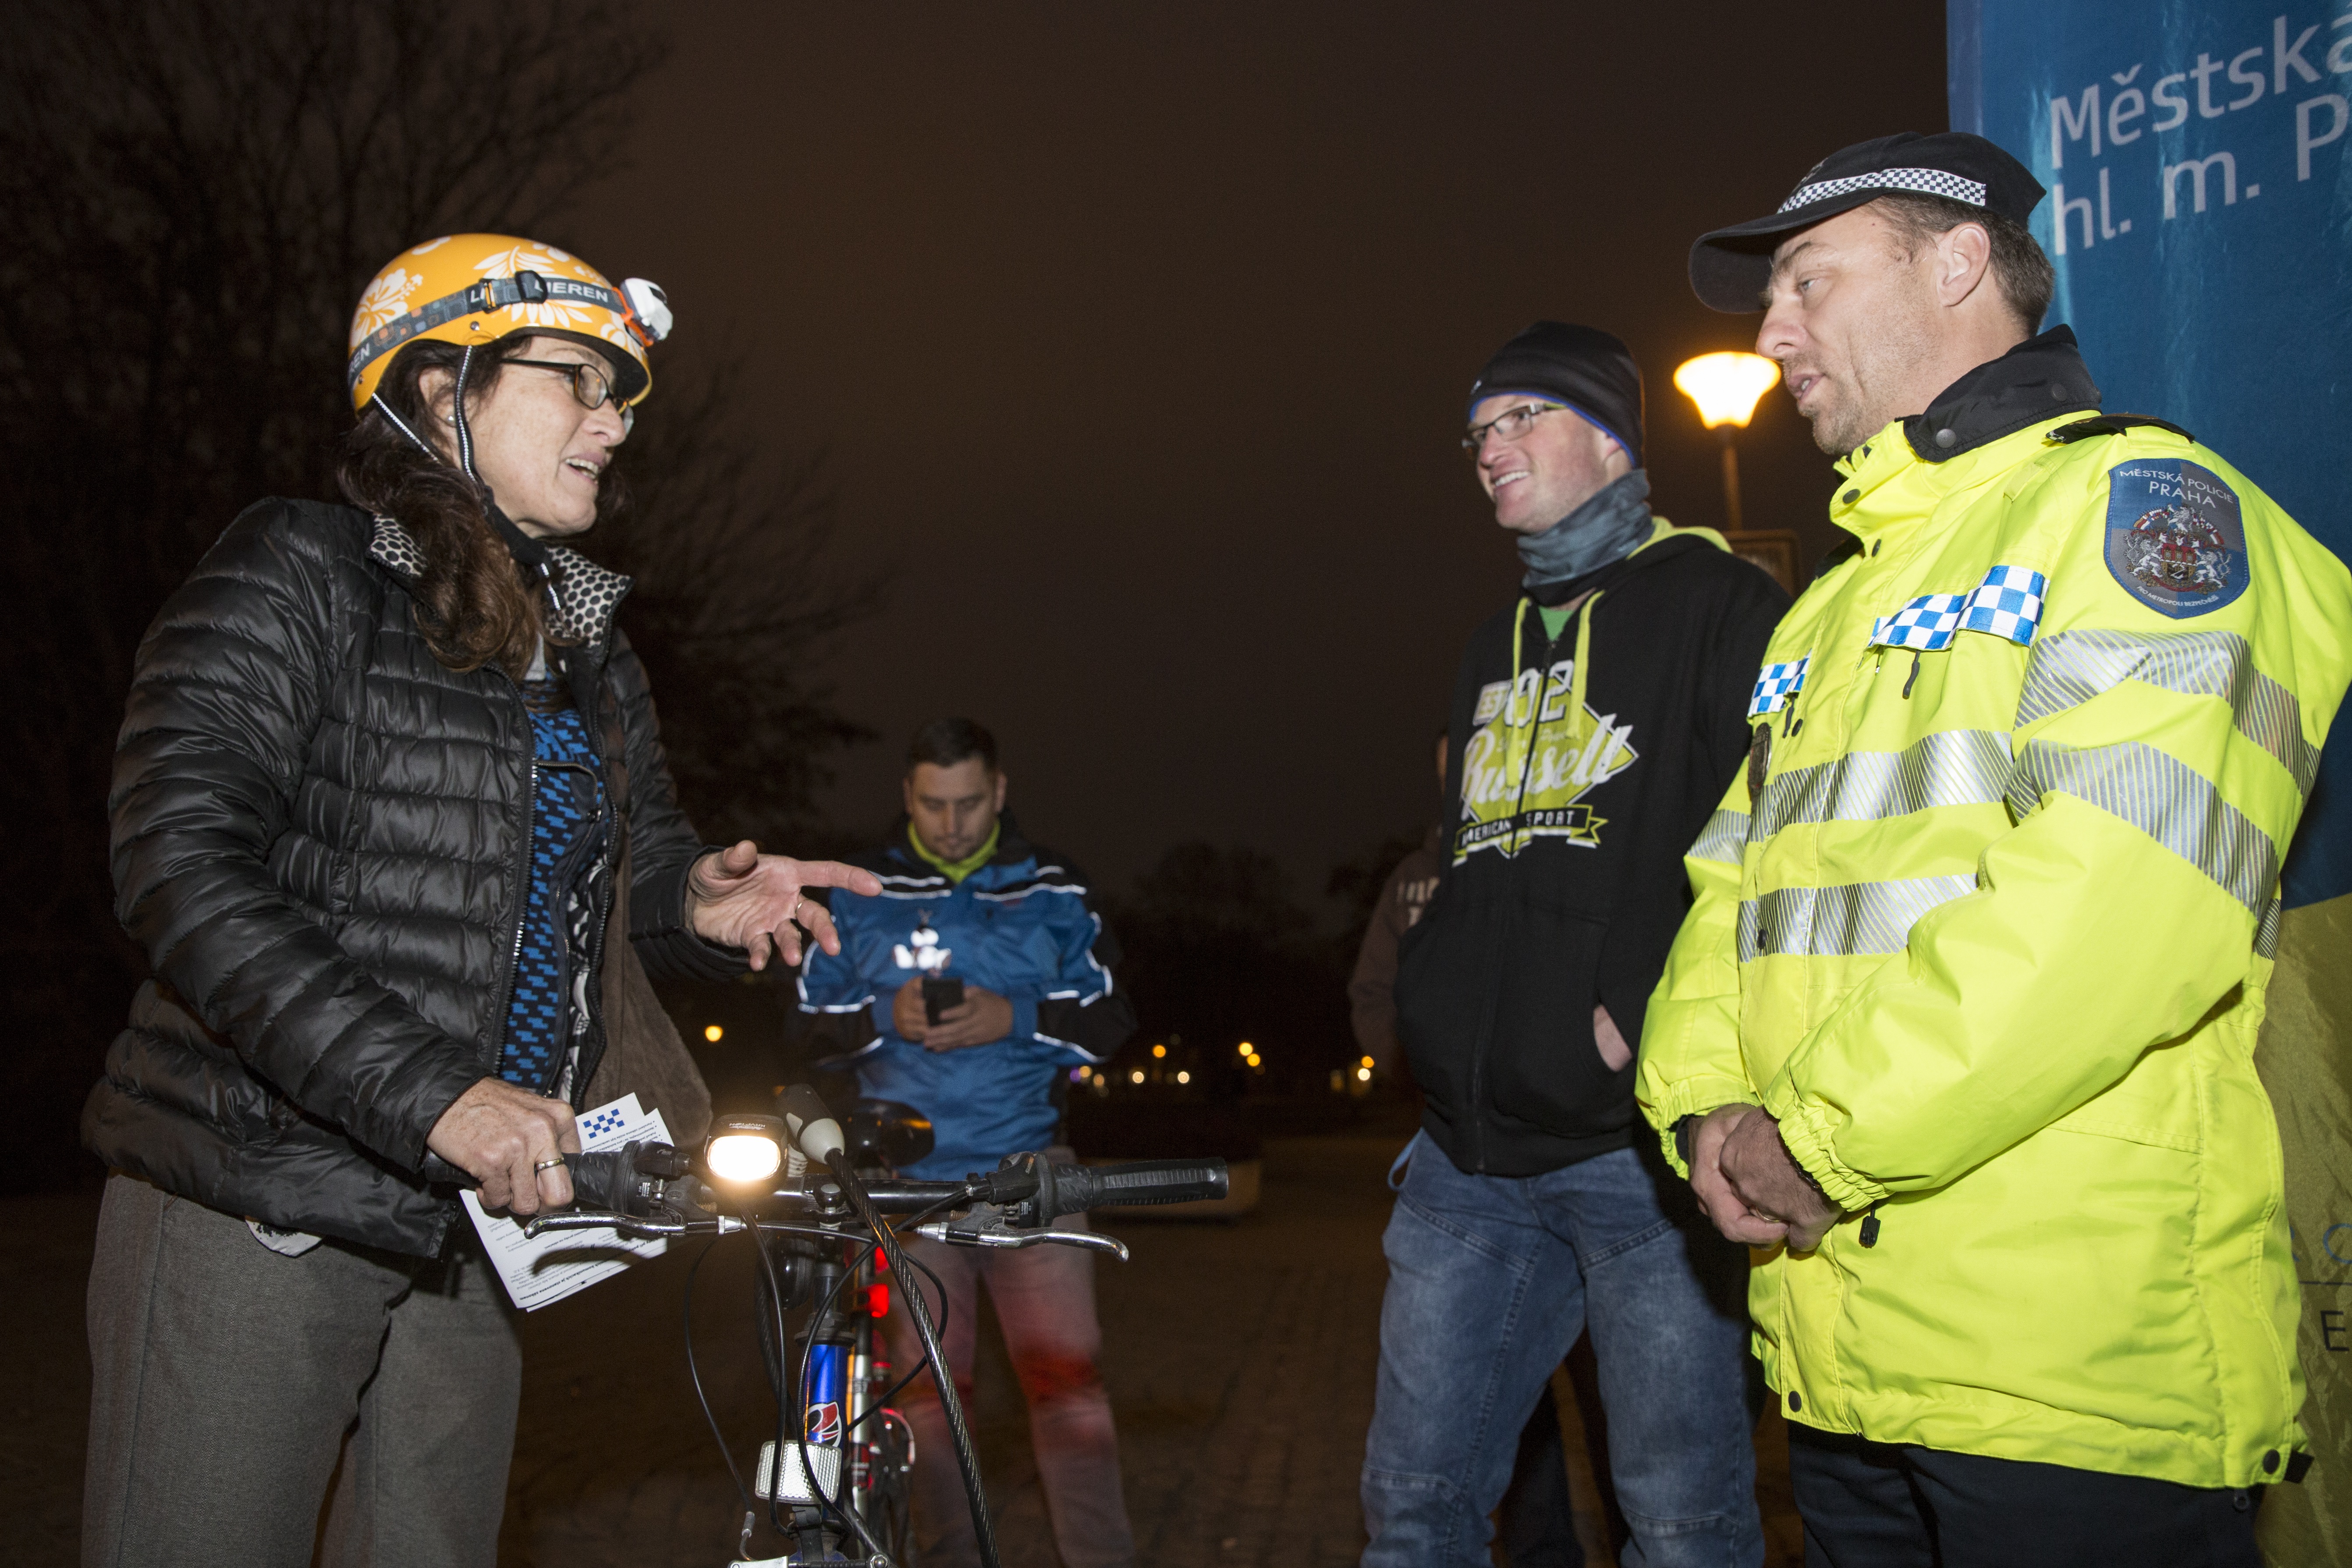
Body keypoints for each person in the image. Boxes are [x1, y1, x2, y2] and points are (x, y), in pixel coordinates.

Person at [78, 233, 881, 1568]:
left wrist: (702, 901)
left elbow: (617, 897)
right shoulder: (300, 568)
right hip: (260, 1198)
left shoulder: (590, 647)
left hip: (478, 1229)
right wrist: (435, 1093)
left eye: (619, 395)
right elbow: (177, 865)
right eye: (577, 379)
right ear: (441, 389)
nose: (612, 423)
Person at [1642, 131, 2352, 1568]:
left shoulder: (2142, 515)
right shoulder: (1828, 610)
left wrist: (1816, 1137)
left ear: (1959, 260)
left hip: (2068, 1373)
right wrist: (1704, 1109)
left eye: (1805, 280)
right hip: (1839, 1353)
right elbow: (1730, 896)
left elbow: (2124, 897)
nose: (1772, 331)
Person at [1361, 322, 1788, 1567]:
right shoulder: (1488, 640)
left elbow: (1770, 835)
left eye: (1520, 420)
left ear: (1608, 435)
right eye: (1475, 433)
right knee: (1411, 1507)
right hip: (1463, 1153)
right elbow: (1477, 854)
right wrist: (1434, 1004)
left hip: (1636, 1154)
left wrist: (1635, 998)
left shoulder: (1722, 604)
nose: (1488, 450)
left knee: (1680, 1520)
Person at [796, 717, 1139, 1568]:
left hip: (1032, 1176)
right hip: (907, 1190)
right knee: (926, 1401)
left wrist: (1012, 1016)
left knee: (1070, 1389)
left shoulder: (1057, 888)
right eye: (932, 803)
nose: (951, 823)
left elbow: (1113, 1021)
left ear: (1001, 790)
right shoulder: (857, 889)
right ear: (905, 795)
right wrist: (885, 1018)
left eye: (970, 802)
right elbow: (800, 1034)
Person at [1346, 727, 1446, 1086]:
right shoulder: (1411, 877)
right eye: (1445, 778)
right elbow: (1371, 991)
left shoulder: (1532, 866)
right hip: (1435, 1113)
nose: (1456, 789)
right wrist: (1412, 1070)